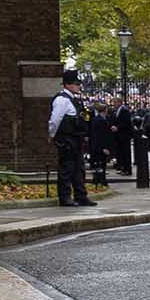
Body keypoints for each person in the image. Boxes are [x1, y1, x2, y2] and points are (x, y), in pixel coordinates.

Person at [47, 72, 95, 207]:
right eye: (76, 84)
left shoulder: (74, 99)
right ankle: (65, 197)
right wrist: (52, 135)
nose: (79, 86)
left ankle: (81, 196)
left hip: (76, 138)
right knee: (67, 169)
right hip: (67, 139)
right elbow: (55, 120)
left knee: (79, 169)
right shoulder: (62, 100)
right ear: (67, 84)